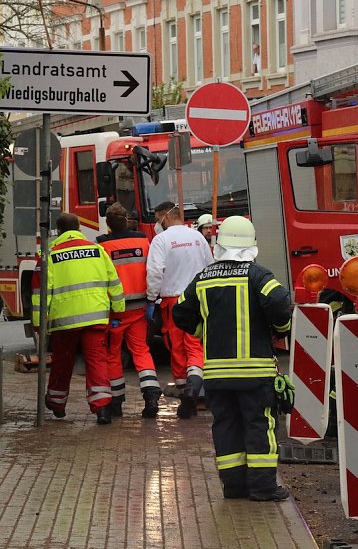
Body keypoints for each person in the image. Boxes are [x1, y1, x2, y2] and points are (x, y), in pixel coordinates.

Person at [172, 216, 293, 501]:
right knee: (259, 426)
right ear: (251, 244)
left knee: (225, 426)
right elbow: (278, 301)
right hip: (255, 372)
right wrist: (280, 329)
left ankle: (234, 486)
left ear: (219, 245)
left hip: (216, 374)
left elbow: (179, 312)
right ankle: (263, 488)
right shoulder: (258, 275)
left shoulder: (203, 278)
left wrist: (203, 329)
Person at [32, 212, 125, 425]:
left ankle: (56, 404)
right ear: (79, 228)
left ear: (59, 231)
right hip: (96, 317)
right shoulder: (97, 250)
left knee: (62, 363)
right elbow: (115, 283)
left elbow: (40, 295)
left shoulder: (49, 255)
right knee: (97, 361)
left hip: (64, 322)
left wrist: (39, 323)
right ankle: (102, 409)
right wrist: (118, 312)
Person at [146, 201, 214, 418]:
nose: (157, 224)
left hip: (173, 301)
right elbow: (209, 267)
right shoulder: (197, 238)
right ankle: (194, 388)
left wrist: (150, 298)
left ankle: (186, 389)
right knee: (195, 343)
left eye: (157, 219)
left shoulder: (161, 240)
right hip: (198, 296)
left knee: (176, 345)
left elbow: (155, 272)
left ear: (165, 217)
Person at [97, 203, 163, 419]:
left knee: (113, 354)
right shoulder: (143, 241)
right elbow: (153, 270)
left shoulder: (102, 246)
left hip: (115, 311)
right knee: (141, 350)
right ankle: (151, 395)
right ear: (127, 220)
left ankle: (116, 402)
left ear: (108, 224)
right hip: (140, 308)